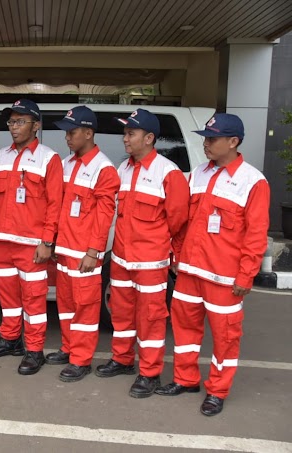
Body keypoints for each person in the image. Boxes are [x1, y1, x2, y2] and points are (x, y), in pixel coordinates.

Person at [155, 113, 270, 416]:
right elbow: (181, 221)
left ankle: (217, 390)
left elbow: (256, 235)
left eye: (213, 139)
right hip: (190, 272)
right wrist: (176, 256)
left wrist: (246, 276)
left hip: (224, 276)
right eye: (205, 138)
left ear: (233, 142)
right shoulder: (197, 175)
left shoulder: (253, 181)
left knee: (225, 338)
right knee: (185, 331)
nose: (206, 144)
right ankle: (185, 379)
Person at [95, 108, 190, 398]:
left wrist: (167, 252)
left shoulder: (168, 173)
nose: (125, 139)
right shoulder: (123, 169)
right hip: (121, 258)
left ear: (149, 138)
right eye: (125, 133)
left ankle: (150, 373)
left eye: (130, 133)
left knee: (150, 317)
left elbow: (177, 221)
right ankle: (123, 359)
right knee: (122, 314)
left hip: (151, 261)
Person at [0, 99, 63, 375]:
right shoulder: (1, 155)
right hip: (3, 242)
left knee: (34, 299)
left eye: (20, 121)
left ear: (36, 126)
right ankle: (10, 338)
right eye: (11, 122)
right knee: (7, 296)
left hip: (31, 245)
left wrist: (47, 241)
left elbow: (55, 204)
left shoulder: (48, 158)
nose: (13, 127)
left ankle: (35, 349)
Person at [48, 106, 120, 382]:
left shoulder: (103, 169)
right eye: (66, 132)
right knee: (65, 305)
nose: (67, 137)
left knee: (85, 309)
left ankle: (81, 359)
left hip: (84, 253)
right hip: (65, 249)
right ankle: (68, 349)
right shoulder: (67, 164)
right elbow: (57, 206)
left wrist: (94, 251)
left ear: (89, 133)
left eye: (72, 131)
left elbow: (104, 216)